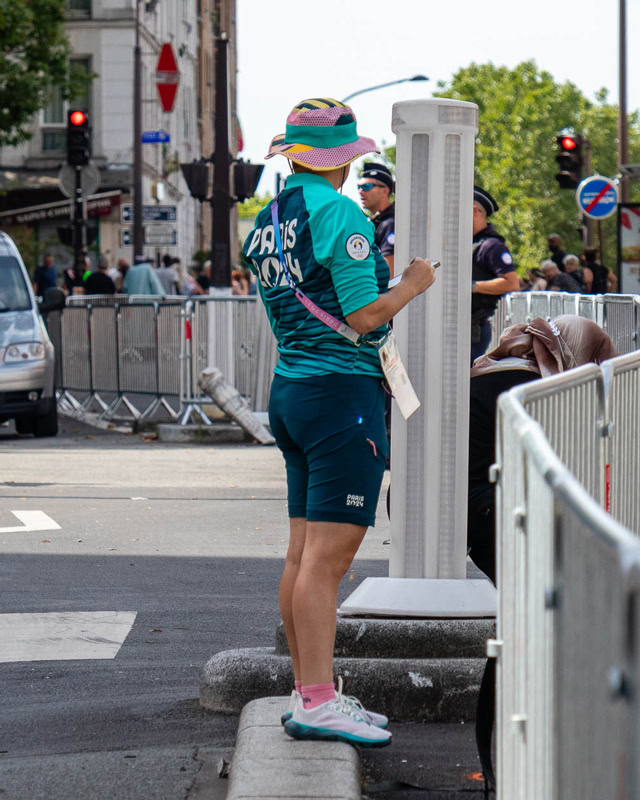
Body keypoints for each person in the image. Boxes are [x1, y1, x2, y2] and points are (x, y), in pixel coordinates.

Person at [244, 96, 437, 747]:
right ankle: (320, 700)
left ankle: (310, 692)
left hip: (292, 390)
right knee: (328, 561)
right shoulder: (340, 214)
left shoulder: (268, 219)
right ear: (341, 161)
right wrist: (413, 283)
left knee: (302, 554)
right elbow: (361, 317)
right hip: (340, 396)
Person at [468, 316, 617, 791]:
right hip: (499, 507)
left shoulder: (490, 369)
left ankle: (497, 759)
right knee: (529, 616)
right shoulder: (546, 391)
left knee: (519, 615)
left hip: (473, 509)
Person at [471, 187, 519, 363]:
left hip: (474, 328)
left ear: (475, 210)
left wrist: (473, 286)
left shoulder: (491, 245)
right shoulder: (471, 242)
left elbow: (511, 283)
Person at [358, 162, 395, 276]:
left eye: (366, 186)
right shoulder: (376, 222)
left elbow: (389, 273)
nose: (360, 191)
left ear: (384, 191)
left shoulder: (390, 223)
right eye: (358, 187)